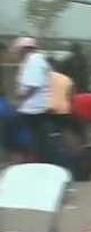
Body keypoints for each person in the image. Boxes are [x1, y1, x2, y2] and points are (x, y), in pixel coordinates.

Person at [10, 37, 66, 167]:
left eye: (18, 51)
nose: (17, 54)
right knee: (41, 141)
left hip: (33, 110)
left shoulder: (33, 61)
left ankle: (31, 165)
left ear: (24, 50)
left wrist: (18, 99)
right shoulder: (37, 60)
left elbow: (32, 85)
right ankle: (41, 164)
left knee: (29, 140)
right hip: (37, 108)